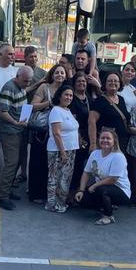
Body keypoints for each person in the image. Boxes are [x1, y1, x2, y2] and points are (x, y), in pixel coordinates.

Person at [28, 64, 68, 203]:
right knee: (39, 162)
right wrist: (48, 104)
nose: (59, 75)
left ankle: (50, 193)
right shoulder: (44, 87)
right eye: (57, 72)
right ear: (52, 74)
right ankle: (36, 194)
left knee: (53, 165)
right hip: (43, 132)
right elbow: (32, 106)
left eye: (62, 73)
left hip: (59, 131)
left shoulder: (67, 90)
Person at [74, 128, 131, 225]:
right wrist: (81, 190)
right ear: (99, 139)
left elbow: (112, 180)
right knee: (83, 200)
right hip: (101, 186)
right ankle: (106, 205)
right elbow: (86, 173)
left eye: (108, 138)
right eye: (102, 138)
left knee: (102, 190)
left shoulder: (118, 157)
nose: (105, 140)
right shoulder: (95, 153)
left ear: (114, 141)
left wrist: (94, 186)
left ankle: (108, 216)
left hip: (121, 190)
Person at [0, 66, 33, 210]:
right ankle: (3, 197)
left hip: (19, 129)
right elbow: (2, 112)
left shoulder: (20, 86)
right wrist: (16, 122)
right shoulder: (9, 88)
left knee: (16, 162)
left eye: (29, 81)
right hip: (10, 131)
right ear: (18, 77)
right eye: (25, 81)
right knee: (11, 163)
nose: (27, 84)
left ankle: (7, 190)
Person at [46, 85, 79, 213]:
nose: (69, 97)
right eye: (66, 94)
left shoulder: (67, 110)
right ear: (59, 96)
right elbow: (56, 133)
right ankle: (53, 204)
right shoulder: (56, 111)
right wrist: (63, 152)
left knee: (64, 178)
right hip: (58, 150)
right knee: (55, 178)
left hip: (70, 150)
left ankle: (61, 203)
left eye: (71, 95)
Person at [89, 71, 130, 152]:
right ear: (105, 83)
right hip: (106, 143)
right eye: (110, 81)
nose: (113, 83)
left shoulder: (121, 99)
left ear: (120, 84)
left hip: (121, 142)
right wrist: (93, 143)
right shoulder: (99, 101)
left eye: (116, 81)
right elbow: (91, 123)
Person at [69, 72, 95, 191]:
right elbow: (72, 120)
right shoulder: (72, 98)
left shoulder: (87, 97)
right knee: (76, 165)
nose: (81, 83)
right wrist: (78, 136)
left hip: (87, 134)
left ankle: (81, 189)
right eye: (78, 81)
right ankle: (72, 191)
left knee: (84, 164)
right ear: (74, 83)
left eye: (83, 81)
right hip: (76, 135)